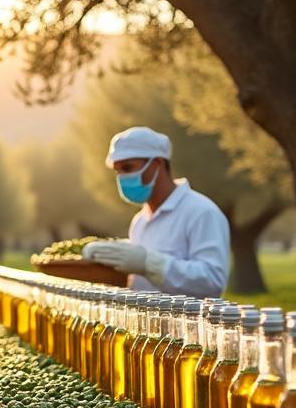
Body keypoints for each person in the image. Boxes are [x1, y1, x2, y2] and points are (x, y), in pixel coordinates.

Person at [83, 126, 230, 298]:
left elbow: (212, 283)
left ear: (157, 164)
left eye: (128, 168)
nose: (122, 177)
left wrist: (149, 263)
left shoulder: (201, 212)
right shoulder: (139, 221)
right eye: (118, 171)